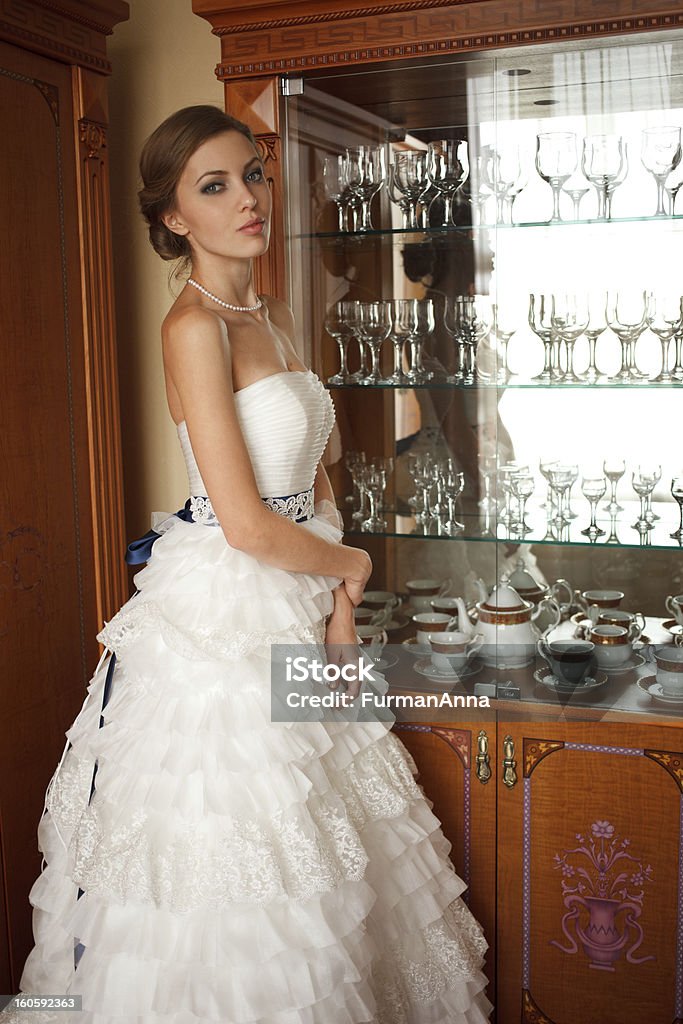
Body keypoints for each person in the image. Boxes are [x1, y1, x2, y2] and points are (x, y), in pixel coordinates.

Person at [2, 105, 492, 1023]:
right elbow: (244, 522)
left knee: (333, 827)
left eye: (253, 175)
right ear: (175, 217)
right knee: (237, 834)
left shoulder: (272, 311)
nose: (249, 199)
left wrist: (339, 608)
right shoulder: (193, 327)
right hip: (225, 605)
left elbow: (319, 479)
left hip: (300, 593)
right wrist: (348, 565)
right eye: (214, 186)